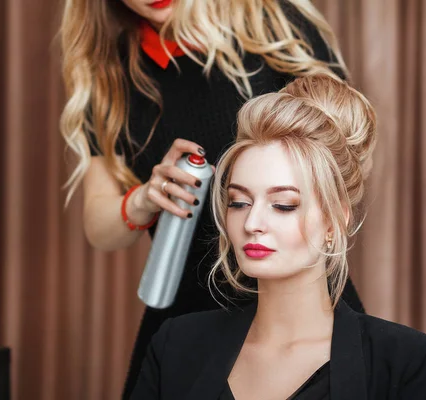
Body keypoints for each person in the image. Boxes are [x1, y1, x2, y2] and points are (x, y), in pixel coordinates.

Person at [59, 0, 366, 397]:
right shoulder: (110, 72)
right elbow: (100, 227)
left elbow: (349, 157)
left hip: (306, 313)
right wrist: (143, 199)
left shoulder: (270, 22)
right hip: (188, 312)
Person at [130, 75, 426, 399]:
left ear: (334, 220)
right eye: (239, 202)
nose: (252, 222)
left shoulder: (401, 363)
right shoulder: (175, 347)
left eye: (283, 206)